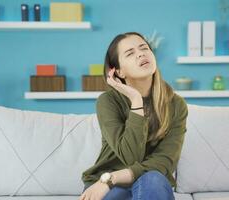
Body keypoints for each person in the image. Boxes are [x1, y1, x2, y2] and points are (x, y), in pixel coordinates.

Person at [80, 32, 188, 200]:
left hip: (136, 181)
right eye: (130, 53)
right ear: (119, 72)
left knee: (153, 179)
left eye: (144, 48)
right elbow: (130, 157)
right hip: (109, 187)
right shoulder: (107, 102)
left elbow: (165, 161)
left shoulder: (176, 105)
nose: (141, 53)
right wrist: (136, 101)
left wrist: (113, 177)